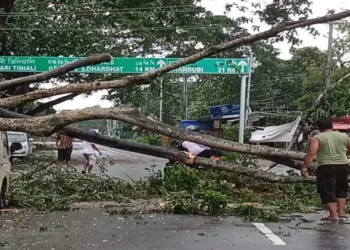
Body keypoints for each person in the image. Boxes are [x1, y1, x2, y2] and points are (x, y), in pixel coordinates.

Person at [301, 118, 350, 221]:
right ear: (332, 126)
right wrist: (344, 155)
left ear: (319, 128)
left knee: (328, 189)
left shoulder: (318, 137)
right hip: (343, 165)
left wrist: (305, 166)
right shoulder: (344, 136)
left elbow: (311, 152)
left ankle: (333, 215)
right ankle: (341, 212)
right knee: (341, 188)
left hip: (326, 166)